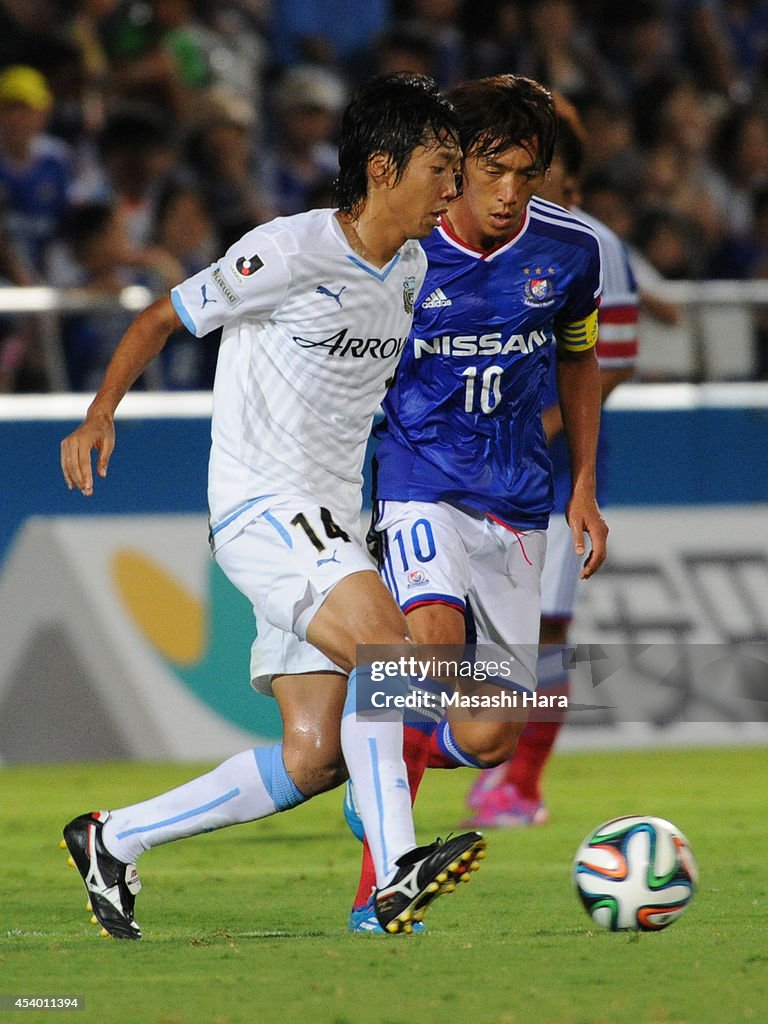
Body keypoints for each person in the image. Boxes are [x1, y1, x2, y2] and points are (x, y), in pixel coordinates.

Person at [59, 72, 485, 941]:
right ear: (380, 167)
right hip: (265, 505)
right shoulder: (286, 252)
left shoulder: (407, 269)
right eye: (441, 168)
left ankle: (114, 839)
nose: (454, 187)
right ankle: (399, 869)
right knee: (386, 652)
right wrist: (100, 411)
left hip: (333, 519)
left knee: (315, 755)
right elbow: (163, 317)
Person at [344, 74, 607, 931]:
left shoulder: (570, 252)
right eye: (491, 169)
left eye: (526, 174)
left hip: (517, 501)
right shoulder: (403, 247)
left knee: (493, 730)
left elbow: (579, 359)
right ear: (455, 165)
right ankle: (376, 886)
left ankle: (383, 763)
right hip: (419, 483)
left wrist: (585, 488)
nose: (507, 192)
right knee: (431, 652)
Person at [463, 93, 639, 828]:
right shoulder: (455, 228)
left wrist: (531, 428)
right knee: (433, 630)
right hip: (451, 465)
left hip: (547, 470)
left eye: (534, 169)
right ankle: (403, 756)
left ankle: (520, 782)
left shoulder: (589, 245)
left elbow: (611, 361)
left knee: (550, 631)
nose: (520, 187)